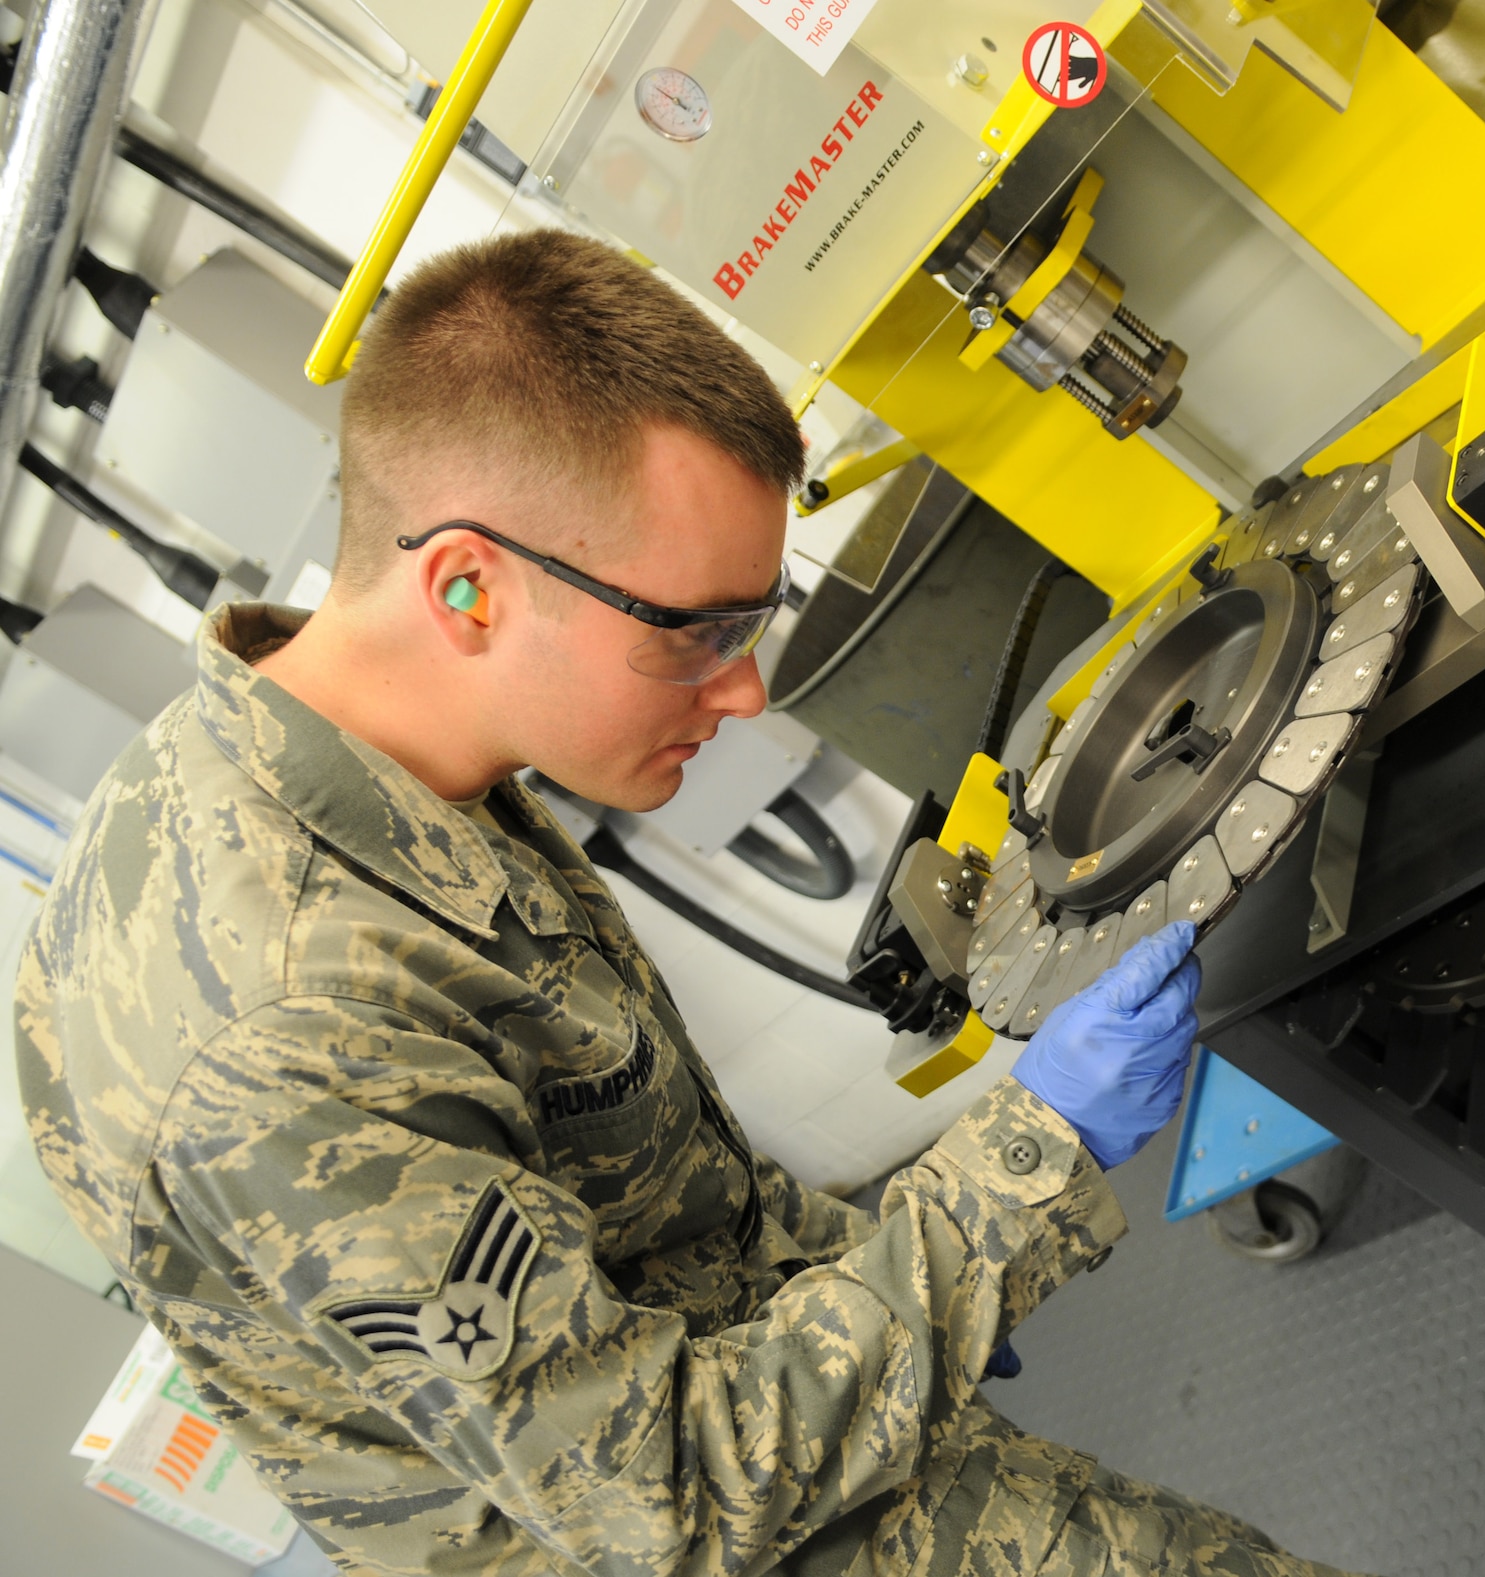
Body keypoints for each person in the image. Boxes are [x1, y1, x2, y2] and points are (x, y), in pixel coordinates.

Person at [15, 231, 1362, 1577]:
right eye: (696, 631)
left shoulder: (325, 751)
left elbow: (633, 1195)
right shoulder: (291, 1025)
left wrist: (882, 1269)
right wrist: (1023, 1168)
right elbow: (672, 1500)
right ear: (469, 585)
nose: (747, 691)